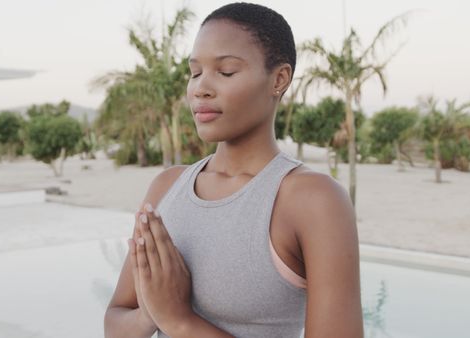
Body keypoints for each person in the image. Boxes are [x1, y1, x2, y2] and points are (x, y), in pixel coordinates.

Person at [104, 2, 363, 337]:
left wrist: (179, 320)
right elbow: (115, 321)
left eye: (225, 72)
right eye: (195, 72)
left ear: (279, 79)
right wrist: (148, 315)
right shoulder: (167, 186)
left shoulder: (311, 200)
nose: (200, 88)